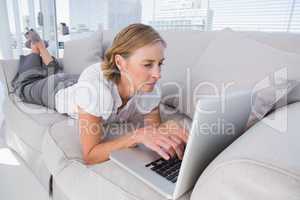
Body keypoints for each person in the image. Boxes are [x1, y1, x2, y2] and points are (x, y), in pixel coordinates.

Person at [12, 24, 188, 165]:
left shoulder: (150, 89)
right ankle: (37, 49)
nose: (158, 74)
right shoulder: (97, 91)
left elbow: (153, 131)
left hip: (81, 83)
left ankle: (45, 55)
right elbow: (90, 155)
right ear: (120, 62)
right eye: (148, 64)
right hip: (58, 91)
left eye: (160, 64)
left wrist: (168, 127)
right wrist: (135, 136)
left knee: (56, 72)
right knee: (26, 83)